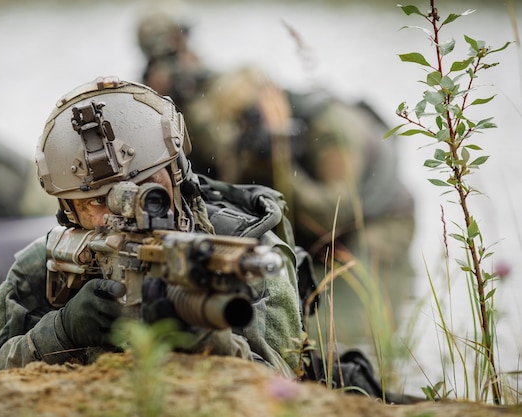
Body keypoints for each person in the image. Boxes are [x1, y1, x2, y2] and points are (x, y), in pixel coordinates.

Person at [0, 76, 305, 379]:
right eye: (96, 202)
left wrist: (208, 340)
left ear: (177, 175)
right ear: (70, 211)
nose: (122, 210)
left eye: (148, 186)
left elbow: (284, 388)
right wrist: (61, 333)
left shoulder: (242, 251)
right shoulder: (39, 268)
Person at [135, 14, 416, 345]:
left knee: (342, 324)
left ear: (270, 101)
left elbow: (335, 215)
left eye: (247, 120)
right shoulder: (253, 129)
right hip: (317, 218)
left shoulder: (331, 128)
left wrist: (279, 157)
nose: (246, 129)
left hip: (376, 221)